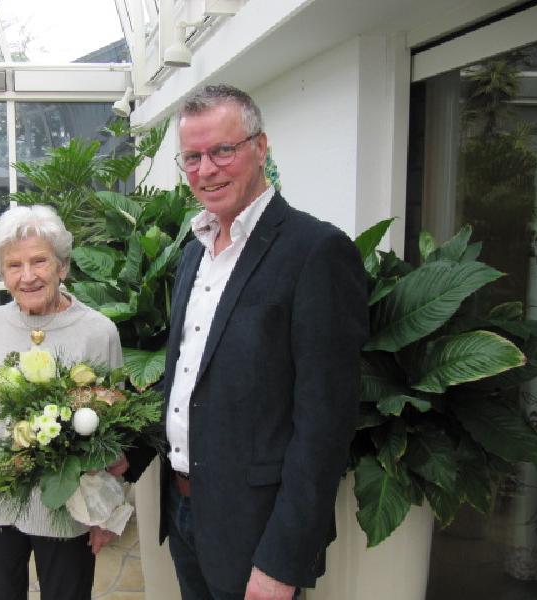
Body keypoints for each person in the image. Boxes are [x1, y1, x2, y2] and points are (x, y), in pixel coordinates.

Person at [158, 85, 368, 599]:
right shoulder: (194, 253)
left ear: (260, 147)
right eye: (192, 157)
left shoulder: (316, 252)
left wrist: (283, 560)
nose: (207, 170)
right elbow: (190, 380)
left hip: (257, 532)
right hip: (186, 513)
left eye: (223, 150)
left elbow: (324, 425)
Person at [0, 204, 126, 600]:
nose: (27, 276)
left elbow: (115, 432)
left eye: (39, 261)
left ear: (62, 266)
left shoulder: (97, 331)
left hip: (68, 507)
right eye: (14, 265)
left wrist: (108, 511)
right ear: (2, 273)